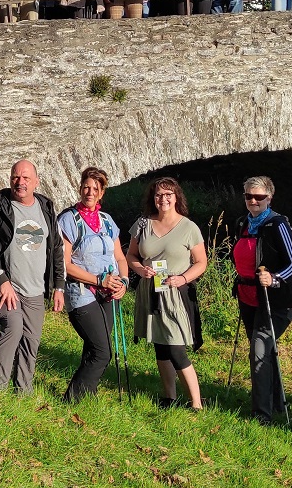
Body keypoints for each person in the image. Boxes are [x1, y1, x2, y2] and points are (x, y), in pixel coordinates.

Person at [0, 159, 66, 395]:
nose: (20, 182)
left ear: (36, 181)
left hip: (36, 290)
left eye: (26, 178)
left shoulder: (46, 208)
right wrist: (1, 280)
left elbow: (57, 248)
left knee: (31, 341)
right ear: (10, 179)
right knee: (12, 329)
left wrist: (59, 287)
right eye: (16, 177)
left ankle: (23, 392)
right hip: (8, 287)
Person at [127, 177, 207, 409]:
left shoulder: (189, 227)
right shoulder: (142, 224)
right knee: (160, 345)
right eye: (158, 195)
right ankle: (169, 397)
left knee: (175, 347)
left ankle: (196, 404)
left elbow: (201, 262)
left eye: (168, 194)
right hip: (149, 290)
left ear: (176, 197)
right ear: (153, 198)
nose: (163, 199)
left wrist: (182, 278)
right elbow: (131, 255)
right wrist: (140, 269)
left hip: (174, 294)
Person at [231, 176, 292, 424]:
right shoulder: (243, 223)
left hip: (276, 300)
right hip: (248, 296)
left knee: (259, 350)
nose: (253, 201)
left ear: (269, 198)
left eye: (259, 197)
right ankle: (275, 401)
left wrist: (273, 278)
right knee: (263, 349)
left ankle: (262, 415)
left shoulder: (277, 224)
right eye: (248, 196)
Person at [58, 167, 128, 402]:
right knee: (102, 351)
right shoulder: (69, 220)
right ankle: (72, 399)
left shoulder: (107, 221)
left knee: (93, 347)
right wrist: (99, 280)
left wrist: (124, 282)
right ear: (80, 189)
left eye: (95, 189)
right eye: (86, 187)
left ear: (101, 193)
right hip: (81, 294)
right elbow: (65, 264)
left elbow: (119, 257)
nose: (90, 192)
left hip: (108, 294)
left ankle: (88, 395)